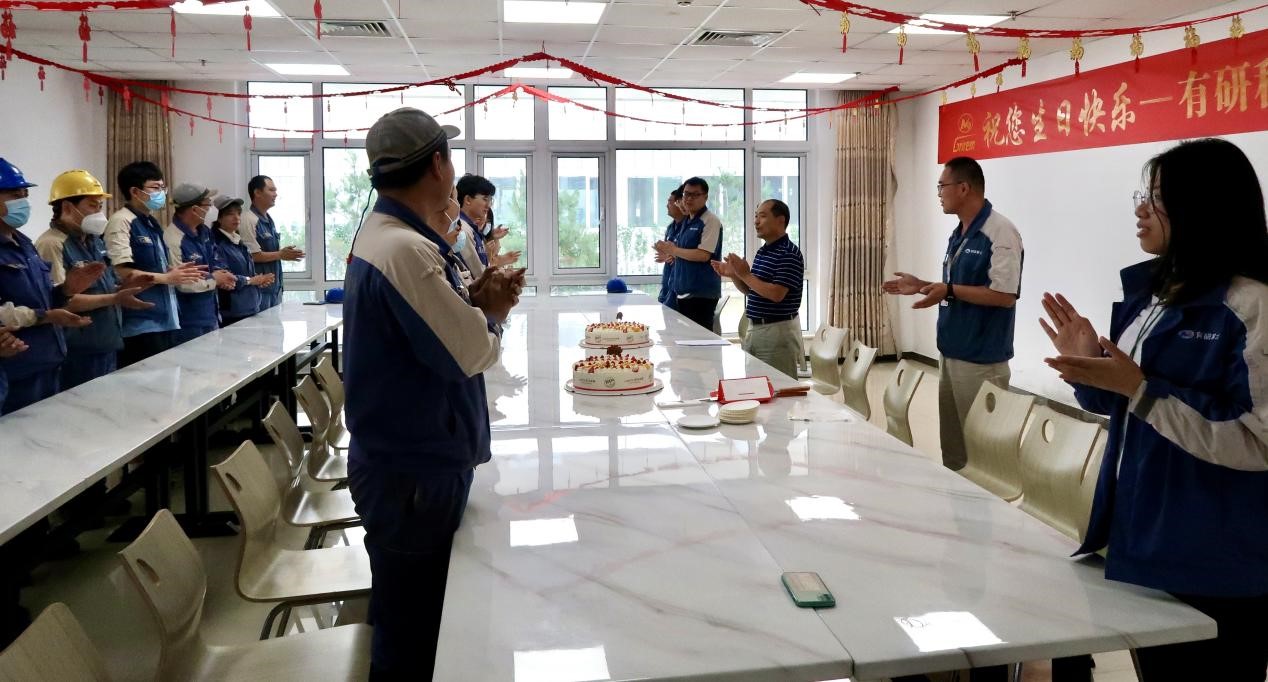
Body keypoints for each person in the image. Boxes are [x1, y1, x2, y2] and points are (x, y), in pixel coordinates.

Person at [1041, 138, 1268, 681]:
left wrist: (1141, 389)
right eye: (1144, 195)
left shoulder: (1251, 306)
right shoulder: (1155, 297)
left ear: (1203, 209)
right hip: (1143, 533)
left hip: (1216, 556)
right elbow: (1127, 402)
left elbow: (1258, 440)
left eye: (1159, 198)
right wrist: (1089, 367)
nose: (1142, 209)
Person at [342, 107, 525, 679]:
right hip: (413, 472)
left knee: (414, 611)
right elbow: (469, 353)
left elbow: (427, 331)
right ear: (439, 165)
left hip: (408, 460)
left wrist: (471, 300)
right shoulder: (404, 250)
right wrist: (491, 313)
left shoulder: (389, 236)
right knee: (414, 629)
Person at [882, 156, 1023, 471]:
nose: (938, 194)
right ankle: (958, 501)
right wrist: (922, 285)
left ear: (963, 188)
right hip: (951, 353)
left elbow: (1004, 296)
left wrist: (948, 289)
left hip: (981, 361)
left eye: (941, 186)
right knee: (955, 451)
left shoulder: (1000, 232)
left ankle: (983, 505)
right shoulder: (959, 232)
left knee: (984, 458)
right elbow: (955, 289)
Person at [0, 158, 102, 414]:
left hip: (49, 361)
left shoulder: (23, 243)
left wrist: (66, 290)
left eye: (25, 194)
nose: (23, 202)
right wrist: (45, 316)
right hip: (16, 369)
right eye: (15, 195)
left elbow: (44, 298)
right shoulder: (48, 242)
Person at [36, 169, 154, 389]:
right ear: (67, 207)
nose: (99, 213)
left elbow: (104, 287)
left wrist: (125, 287)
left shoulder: (94, 241)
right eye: (93, 206)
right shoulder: (52, 243)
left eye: (100, 206)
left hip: (106, 342)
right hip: (76, 350)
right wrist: (115, 298)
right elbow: (59, 300)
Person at [105, 161, 207, 367]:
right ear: (135, 191)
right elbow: (121, 271)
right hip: (140, 322)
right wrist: (167, 277)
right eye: (155, 187)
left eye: (163, 187)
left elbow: (154, 266)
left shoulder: (151, 222)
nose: (161, 193)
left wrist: (173, 271)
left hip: (165, 318)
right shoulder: (122, 221)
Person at [712, 199, 804, 378]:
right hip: (755, 329)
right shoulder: (763, 251)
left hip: (776, 331)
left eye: (762, 216)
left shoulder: (788, 253)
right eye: (755, 217)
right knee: (756, 386)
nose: (756, 222)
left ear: (780, 220)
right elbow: (752, 291)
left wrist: (745, 274)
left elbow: (776, 294)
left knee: (778, 388)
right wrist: (734, 275)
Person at [164, 183, 235, 345]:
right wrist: (214, 280)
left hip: (211, 314)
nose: (209, 209)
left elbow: (216, 259)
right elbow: (182, 283)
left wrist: (224, 277)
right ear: (195, 209)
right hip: (189, 322)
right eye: (207, 204)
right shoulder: (173, 239)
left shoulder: (204, 231)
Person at [655, 176, 722, 330]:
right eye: (686, 194)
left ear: (705, 197)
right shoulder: (687, 220)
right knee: (682, 339)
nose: (689, 198)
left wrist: (673, 250)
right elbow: (682, 252)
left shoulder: (710, 220)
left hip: (701, 294)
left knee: (698, 340)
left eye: (695, 195)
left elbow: (703, 255)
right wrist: (670, 253)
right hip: (682, 292)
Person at [241, 174, 303, 309]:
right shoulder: (248, 219)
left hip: (274, 290)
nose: (275, 194)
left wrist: (282, 254)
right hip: (259, 291)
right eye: (271, 190)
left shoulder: (269, 219)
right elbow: (251, 255)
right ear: (257, 192)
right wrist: (280, 254)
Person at [211, 195, 273, 325]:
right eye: (230, 214)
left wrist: (258, 280)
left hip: (250, 307)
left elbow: (245, 272)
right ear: (219, 218)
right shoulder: (217, 243)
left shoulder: (238, 241)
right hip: (231, 311)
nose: (236, 217)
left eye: (238, 213)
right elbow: (225, 277)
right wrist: (251, 280)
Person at [656, 185, 686, 309]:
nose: (667, 205)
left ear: (679, 203)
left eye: (670, 202)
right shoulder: (670, 228)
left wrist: (673, 255)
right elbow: (669, 254)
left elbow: (688, 255)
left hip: (680, 288)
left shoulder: (688, 227)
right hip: (667, 284)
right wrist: (665, 254)